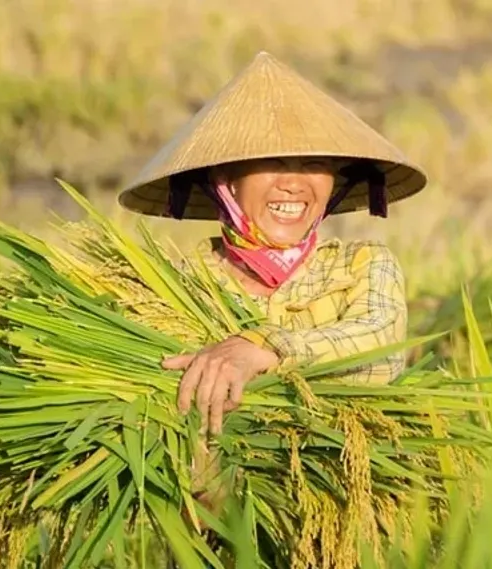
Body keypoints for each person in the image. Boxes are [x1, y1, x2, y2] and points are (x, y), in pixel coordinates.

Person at [116, 51, 428, 510]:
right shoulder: (179, 286)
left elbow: (380, 352)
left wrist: (263, 348)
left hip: (338, 524)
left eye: (311, 164)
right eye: (273, 161)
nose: (294, 183)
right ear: (225, 179)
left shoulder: (362, 265)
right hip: (207, 535)